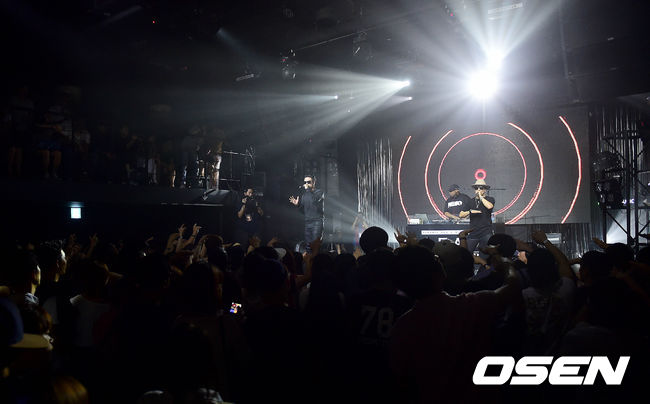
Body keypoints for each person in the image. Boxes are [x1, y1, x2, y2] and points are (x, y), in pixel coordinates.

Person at [289, 175, 324, 252]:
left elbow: (314, 200)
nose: (306, 184)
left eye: (308, 182)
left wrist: (308, 190)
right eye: (305, 182)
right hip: (307, 222)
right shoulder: (304, 195)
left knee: (315, 245)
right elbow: (303, 211)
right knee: (308, 246)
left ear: (314, 182)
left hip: (317, 222)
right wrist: (298, 205)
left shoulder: (319, 192)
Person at [461, 179, 495, 257]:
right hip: (473, 232)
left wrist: (481, 197)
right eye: (476, 188)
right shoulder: (470, 201)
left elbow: (489, 206)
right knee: (466, 254)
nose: (478, 190)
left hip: (486, 232)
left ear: (485, 190)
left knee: (486, 255)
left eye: (481, 188)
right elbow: (461, 214)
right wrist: (470, 211)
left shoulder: (490, 199)